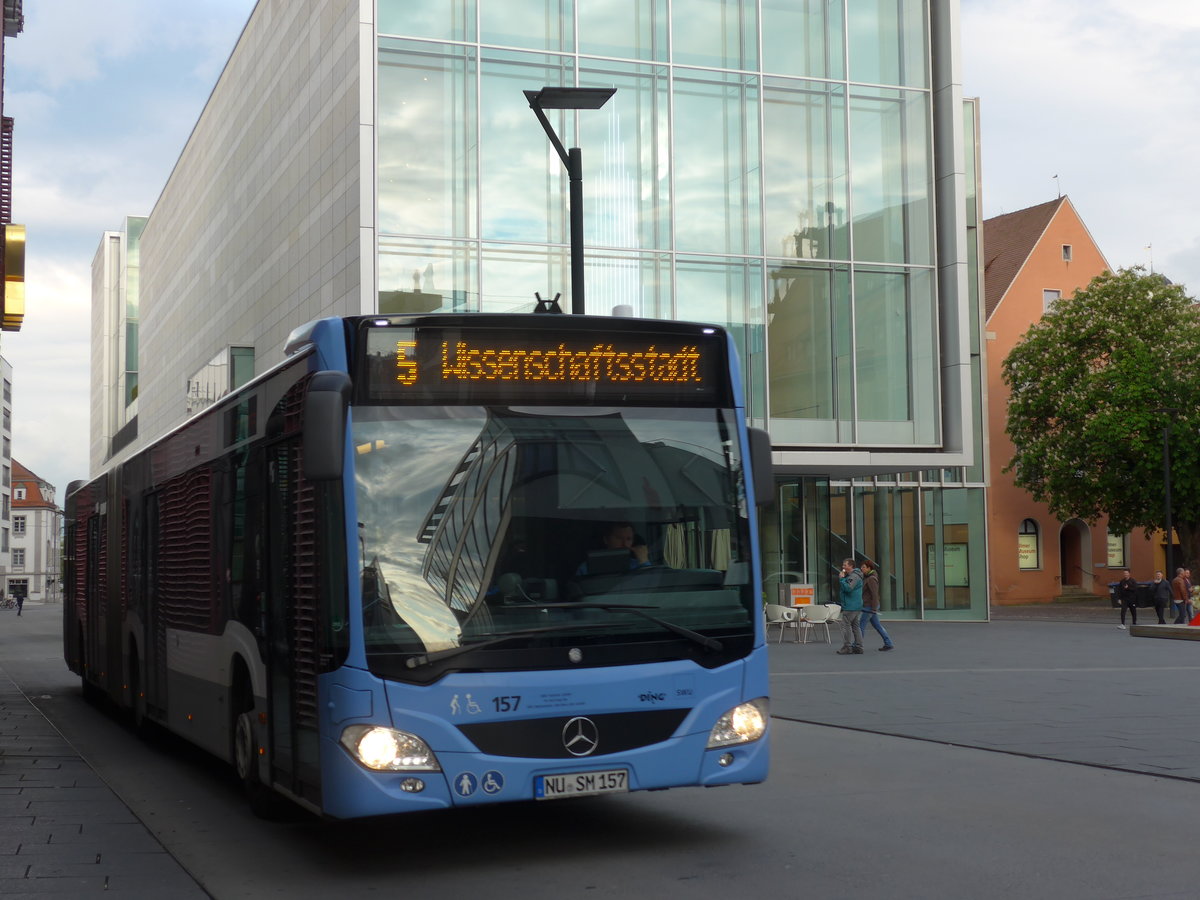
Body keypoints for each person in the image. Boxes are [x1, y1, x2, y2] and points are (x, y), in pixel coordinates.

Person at [575, 522, 650, 575]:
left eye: (629, 539)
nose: (625, 544)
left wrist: (644, 561)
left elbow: (651, 589)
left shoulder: (638, 565)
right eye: (619, 538)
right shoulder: (587, 567)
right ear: (606, 540)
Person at [858, 560, 894, 650]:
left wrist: (873, 608)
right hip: (870, 606)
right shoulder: (868, 577)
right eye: (861, 567)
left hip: (870, 606)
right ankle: (888, 643)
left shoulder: (871, 579)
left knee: (861, 624)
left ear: (869, 568)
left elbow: (874, 594)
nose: (861, 569)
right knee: (877, 625)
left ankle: (857, 644)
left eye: (863, 567)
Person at [836, 558, 864, 655]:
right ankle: (859, 646)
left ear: (851, 566)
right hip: (855, 605)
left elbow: (848, 588)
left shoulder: (853, 577)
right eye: (843, 565)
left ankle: (847, 646)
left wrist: (842, 579)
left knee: (846, 626)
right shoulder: (855, 576)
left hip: (850, 605)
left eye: (845, 565)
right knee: (856, 626)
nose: (843, 567)